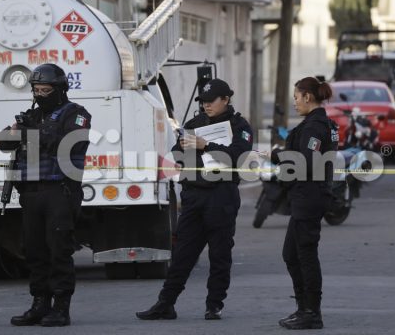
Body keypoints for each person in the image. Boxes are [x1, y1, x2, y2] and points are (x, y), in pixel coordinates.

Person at [136, 78, 253, 321]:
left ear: (226, 100)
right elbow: (177, 154)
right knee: (182, 254)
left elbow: (237, 156)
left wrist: (205, 145)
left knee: (219, 254)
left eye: (211, 101)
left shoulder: (239, 126)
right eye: (203, 102)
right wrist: (187, 150)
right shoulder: (194, 123)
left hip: (221, 197)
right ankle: (166, 303)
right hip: (195, 195)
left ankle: (214, 305)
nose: (207, 106)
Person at [6, 63, 91, 327]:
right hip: (31, 193)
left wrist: (25, 133)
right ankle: (39, 303)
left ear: (60, 90)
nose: (41, 94)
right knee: (34, 252)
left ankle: (61, 307)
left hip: (60, 191)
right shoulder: (32, 117)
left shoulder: (76, 114)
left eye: (46, 90)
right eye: (37, 90)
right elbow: (5, 141)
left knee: (58, 251)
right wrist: (13, 133)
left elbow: (63, 140)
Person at [271, 77, 338, 330]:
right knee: (291, 254)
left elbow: (308, 161)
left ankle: (311, 312)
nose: (295, 102)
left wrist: (276, 154)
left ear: (308, 97)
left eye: (297, 97)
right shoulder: (319, 123)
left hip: (310, 196)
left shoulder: (314, 126)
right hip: (306, 196)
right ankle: (303, 307)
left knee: (305, 256)